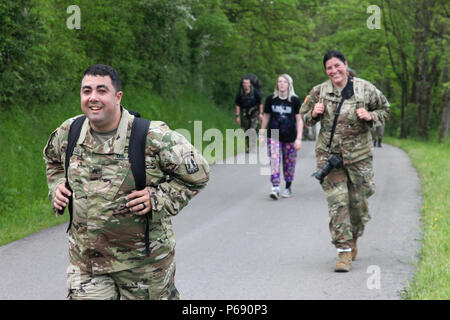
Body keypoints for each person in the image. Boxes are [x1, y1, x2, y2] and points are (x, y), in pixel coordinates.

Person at [43, 64, 210, 299]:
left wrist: (158, 198)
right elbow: (53, 161)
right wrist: (57, 186)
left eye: (102, 91)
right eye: (86, 91)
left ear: (118, 96)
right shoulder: (70, 132)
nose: (93, 98)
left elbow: (199, 174)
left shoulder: (152, 137)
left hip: (144, 267)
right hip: (87, 263)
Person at [300, 50, 390, 272]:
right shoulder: (319, 92)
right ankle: (343, 252)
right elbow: (304, 116)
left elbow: (385, 110)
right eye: (329, 68)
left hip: (359, 158)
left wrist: (371, 117)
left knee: (358, 205)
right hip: (329, 158)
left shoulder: (365, 88)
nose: (334, 71)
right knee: (338, 202)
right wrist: (313, 113)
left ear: (346, 65)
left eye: (337, 66)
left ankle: (354, 237)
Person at [259, 74, 303, 199]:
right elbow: (266, 116)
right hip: (274, 134)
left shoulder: (294, 100)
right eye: (279, 82)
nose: (282, 84)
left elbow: (299, 120)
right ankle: (275, 186)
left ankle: (288, 186)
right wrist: (261, 134)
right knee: (274, 160)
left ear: (289, 85)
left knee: (289, 163)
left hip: (290, 136)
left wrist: (299, 138)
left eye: (284, 82)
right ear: (277, 84)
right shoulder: (271, 99)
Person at [235, 75, 264, 153]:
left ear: (250, 84)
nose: (245, 84)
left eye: (247, 83)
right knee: (247, 131)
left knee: (252, 129)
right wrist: (237, 116)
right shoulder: (240, 93)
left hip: (255, 113)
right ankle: (249, 147)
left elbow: (260, 103)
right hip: (245, 114)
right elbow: (237, 105)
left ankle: (252, 146)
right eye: (244, 83)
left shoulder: (255, 92)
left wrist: (261, 113)